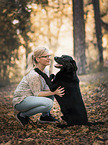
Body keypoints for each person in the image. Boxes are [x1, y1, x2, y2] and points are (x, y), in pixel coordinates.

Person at [13, 47, 65, 126]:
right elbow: (37, 94)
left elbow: (46, 89)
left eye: (49, 56)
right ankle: (22, 115)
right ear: (37, 59)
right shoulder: (34, 74)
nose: (49, 58)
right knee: (48, 103)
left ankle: (45, 116)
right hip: (21, 101)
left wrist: (54, 90)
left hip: (31, 97)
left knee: (51, 93)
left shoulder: (46, 71)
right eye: (45, 57)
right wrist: (54, 92)